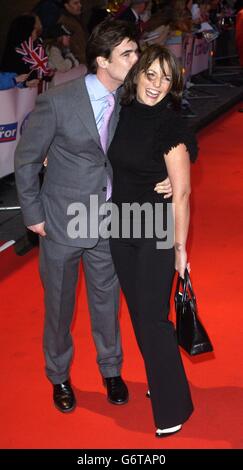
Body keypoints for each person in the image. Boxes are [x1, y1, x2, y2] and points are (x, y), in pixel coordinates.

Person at [14, 20, 172, 414]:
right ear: (103, 60)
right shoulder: (59, 101)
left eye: (136, 51)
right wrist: (32, 214)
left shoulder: (129, 101)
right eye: (128, 54)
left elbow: (165, 133)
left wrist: (173, 172)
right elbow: (27, 158)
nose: (136, 60)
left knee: (107, 301)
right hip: (61, 221)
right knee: (60, 307)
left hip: (108, 221)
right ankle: (59, 376)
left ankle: (111, 369)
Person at [108, 44, 198, 437]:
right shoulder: (120, 113)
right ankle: (165, 382)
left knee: (153, 319)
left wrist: (181, 251)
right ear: (138, 74)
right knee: (141, 316)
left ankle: (173, 406)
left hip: (155, 232)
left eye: (166, 78)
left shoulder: (171, 125)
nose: (157, 85)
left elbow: (181, 193)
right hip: (120, 229)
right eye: (151, 75)